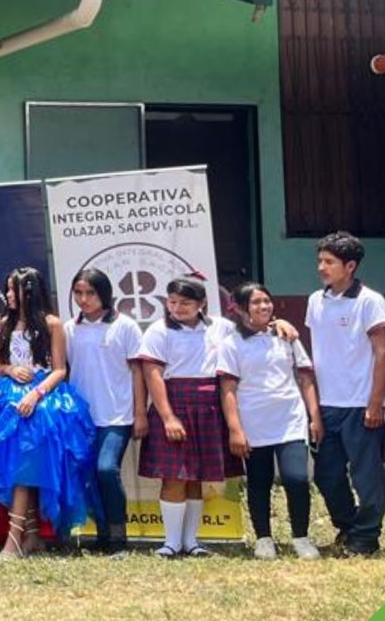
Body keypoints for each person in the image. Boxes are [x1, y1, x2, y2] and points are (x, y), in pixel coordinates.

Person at [0, 267, 93, 559]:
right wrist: (10, 369)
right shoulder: (4, 323)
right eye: (8, 289)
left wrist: (36, 394)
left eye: (13, 289)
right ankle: (31, 535)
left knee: (28, 461)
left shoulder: (52, 324)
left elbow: (60, 370)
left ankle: (16, 541)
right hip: (7, 396)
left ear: (29, 291)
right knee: (19, 462)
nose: (8, 295)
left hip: (44, 397)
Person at [219, 282, 324, 560]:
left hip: (290, 419)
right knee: (259, 481)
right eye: (256, 302)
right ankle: (264, 538)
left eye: (267, 301)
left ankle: (301, 537)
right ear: (240, 308)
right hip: (253, 423)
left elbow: (306, 378)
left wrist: (314, 417)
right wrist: (235, 429)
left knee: (297, 478)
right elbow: (228, 390)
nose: (264, 306)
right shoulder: (231, 343)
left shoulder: (286, 335)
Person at [135, 277, 234, 559]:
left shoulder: (221, 327)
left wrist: (279, 324)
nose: (177, 308)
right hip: (175, 403)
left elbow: (251, 331)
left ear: (202, 303)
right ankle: (171, 543)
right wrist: (168, 417)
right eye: (172, 301)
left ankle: (192, 542)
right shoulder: (159, 331)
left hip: (209, 406)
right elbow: (152, 374)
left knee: (196, 477)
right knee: (174, 476)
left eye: (185, 303)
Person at [305, 231, 385, 557]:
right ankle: (348, 527)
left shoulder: (370, 301)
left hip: (359, 404)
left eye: (329, 262)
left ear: (350, 266)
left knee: (366, 477)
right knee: (326, 475)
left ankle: (365, 538)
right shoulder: (315, 300)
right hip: (327, 405)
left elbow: (382, 352)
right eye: (320, 261)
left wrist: (375, 402)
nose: (321, 267)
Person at [65, 269, 147, 556]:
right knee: (88, 475)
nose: (84, 299)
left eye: (90, 293)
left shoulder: (125, 326)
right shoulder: (69, 329)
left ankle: (118, 537)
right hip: (81, 417)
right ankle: (101, 534)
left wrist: (140, 413)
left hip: (117, 415)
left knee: (106, 469)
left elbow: (138, 371)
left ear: (105, 294)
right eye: (78, 293)